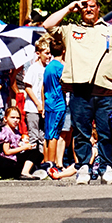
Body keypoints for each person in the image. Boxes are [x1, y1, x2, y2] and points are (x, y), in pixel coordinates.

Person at [43, 0, 112, 185]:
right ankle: (83, 167)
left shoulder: (111, 31)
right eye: (85, 6)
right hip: (80, 91)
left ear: (99, 8)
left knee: (106, 132)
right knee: (81, 132)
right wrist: (69, 7)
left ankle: (108, 168)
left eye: (92, 6)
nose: (89, 9)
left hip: (106, 91)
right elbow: (48, 25)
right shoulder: (70, 30)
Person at [0, 106, 44, 180]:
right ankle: (25, 172)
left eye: (18, 118)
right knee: (34, 153)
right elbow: (7, 151)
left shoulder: (16, 132)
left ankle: (28, 170)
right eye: (12, 117)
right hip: (9, 159)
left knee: (38, 154)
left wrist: (25, 145)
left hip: (16, 156)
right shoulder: (6, 132)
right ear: (5, 119)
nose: (15, 120)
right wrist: (23, 148)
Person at [22, 36, 49, 163]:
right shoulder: (34, 68)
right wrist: (38, 103)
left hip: (44, 107)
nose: (49, 56)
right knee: (33, 136)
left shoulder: (47, 68)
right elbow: (28, 87)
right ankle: (31, 162)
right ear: (38, 53)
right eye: (46, 53)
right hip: (33, 107)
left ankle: (41, 160)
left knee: (42, 136)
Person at [43, 37, 68, 170]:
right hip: (58, 103)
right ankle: (52, 164)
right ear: (63, 51)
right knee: (54, 135)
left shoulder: (48, 67)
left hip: (48, 102)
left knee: (48, 134)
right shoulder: (60, 68)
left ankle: (47, 161)